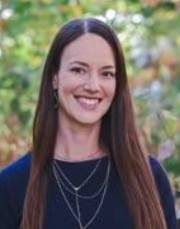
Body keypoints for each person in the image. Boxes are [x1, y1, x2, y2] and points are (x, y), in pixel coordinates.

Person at [0, 18, 177, 229]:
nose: (93, 85)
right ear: (54, 78)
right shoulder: (11, 185)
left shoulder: (149, 178)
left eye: (107, 74)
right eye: (78, 70)